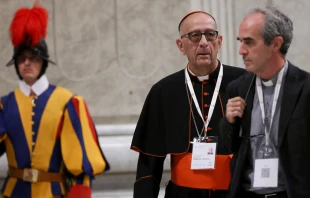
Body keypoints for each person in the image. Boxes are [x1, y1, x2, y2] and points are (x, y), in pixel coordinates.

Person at [131, 10, 245, 198]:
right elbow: (149, 165)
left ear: (220, 42)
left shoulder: (244, 83)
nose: (203, 42)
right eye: (194, 36)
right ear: (180, 46)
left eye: (210, 34)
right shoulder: (164, 91)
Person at [0, 2, 110, 198]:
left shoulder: (68, 102)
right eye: (21, 58)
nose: (27, 63)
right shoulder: (4, 105)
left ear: (43, 62)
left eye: (33, 57)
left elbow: (82, 166)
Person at [221, 6, 310, 198]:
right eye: (240, 41)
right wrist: (228, 122)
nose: (241, 51)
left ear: (276, 44)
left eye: (249, 42)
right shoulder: (237, 88)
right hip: (247, 193)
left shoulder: (306, 88)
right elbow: (228, 148)